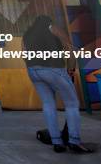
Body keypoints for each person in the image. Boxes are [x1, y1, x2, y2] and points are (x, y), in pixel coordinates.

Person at [23, 16, 93, 154]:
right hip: (53, 69)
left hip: (33, 71)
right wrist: (71, 69)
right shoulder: (53, 28)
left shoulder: (27, 34)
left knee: (48, 103)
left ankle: (57, 142)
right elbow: (70, 50)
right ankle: (74, 141)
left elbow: (24, 55)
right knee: (72, 103)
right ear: (50, 21)